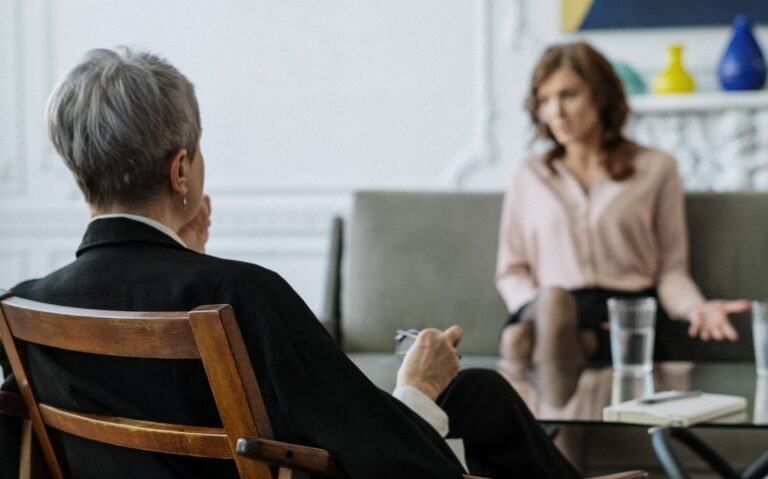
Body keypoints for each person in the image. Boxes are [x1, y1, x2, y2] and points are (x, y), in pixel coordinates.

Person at [0, 47, 581, 479]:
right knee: (450, 392)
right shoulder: (239, 293)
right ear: (181, 171)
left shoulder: (26, 307)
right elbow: (392, 466)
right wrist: (418, 388)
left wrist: (185, 262)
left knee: (477, 392)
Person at [496, 41, 750, 366]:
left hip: (624, 317)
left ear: (601, 96)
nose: (555, 112)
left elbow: (671, 270)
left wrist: (695, 308)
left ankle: (544, 415)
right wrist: (547, 311)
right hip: (544, 311)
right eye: (544, 100)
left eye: (568, 95)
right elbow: (511, 271)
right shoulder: (528, 175)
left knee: (518, 341)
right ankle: (562, 398)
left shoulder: (656, 168)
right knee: (550, 311)